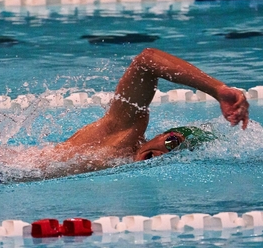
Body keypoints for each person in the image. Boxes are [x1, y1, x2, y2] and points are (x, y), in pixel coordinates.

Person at [35, 48, 249, 177]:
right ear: (161, 136)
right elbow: (147, 61)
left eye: (176, 153)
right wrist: (217, 89)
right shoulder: (123, 135)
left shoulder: (126, 166)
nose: (164, 154)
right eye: (171, 142)